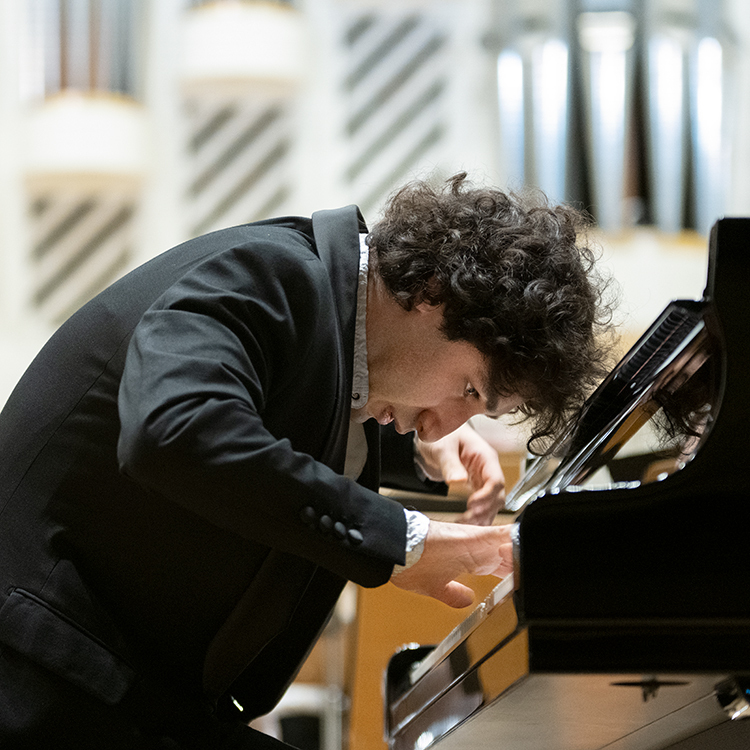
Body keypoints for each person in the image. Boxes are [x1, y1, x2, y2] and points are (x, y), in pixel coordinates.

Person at [0, 172, 612, 748]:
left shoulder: (324, 316)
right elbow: (175, 429)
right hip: (36, 673)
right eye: (470, 391)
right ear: (434, 294)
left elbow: (285, 406)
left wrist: (410, 440)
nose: (445, 421)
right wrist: (401, 540)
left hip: (103, 682)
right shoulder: (268, 273)